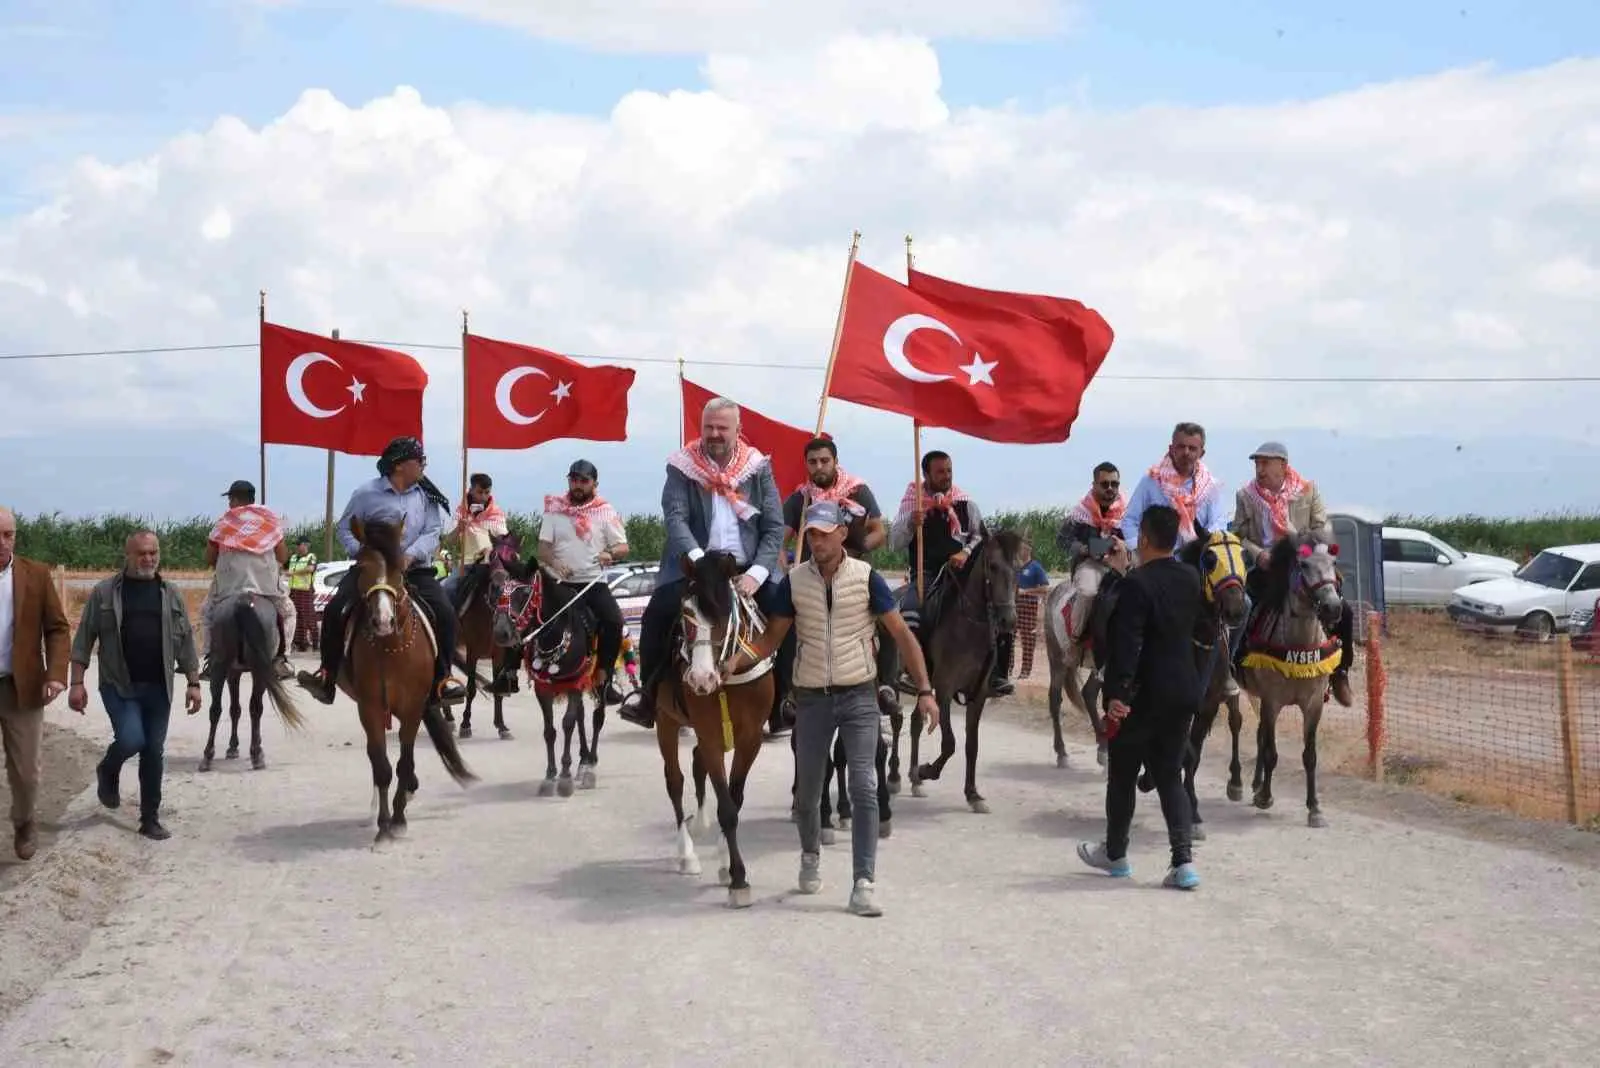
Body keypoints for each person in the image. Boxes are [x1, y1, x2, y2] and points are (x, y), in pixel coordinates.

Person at [720, 500, 939, 918]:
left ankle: (863, 882)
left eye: (824, 533)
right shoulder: (793, 582)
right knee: (807, 794)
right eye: (811, 534)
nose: (817, 541)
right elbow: (770, 641)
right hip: (812, 698)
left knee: (862, 785)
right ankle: (809, 853)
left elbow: (902, 636)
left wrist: (925, 690)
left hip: (858, 694)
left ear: (842, 534)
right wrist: (735, 661)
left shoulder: (866, 578)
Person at [619, 397, 784, 730]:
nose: (714, 434)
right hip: (694, 565)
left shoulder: (758, 467)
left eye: (722, 427)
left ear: (739, 430)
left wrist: (756, 574)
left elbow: (774, 526)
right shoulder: (682, 465)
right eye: (708, 426)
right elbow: (675, 518)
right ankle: (648, 698)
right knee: (658, 614)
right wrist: (698, 564)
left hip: (746, 568)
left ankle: (786, 701)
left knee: (787, 613)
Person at [1077, 504, 1203, 890]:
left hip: (1141, 695)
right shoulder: (1191, 578)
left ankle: (1116, 854)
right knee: (1169, 776)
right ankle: (1183, 863)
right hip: (1183, 690)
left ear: (1144, 538)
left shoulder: (1136, 584)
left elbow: (1128, 641)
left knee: (1122, 776)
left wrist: (1116, 693)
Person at [296, 436, 467, 708]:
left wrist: (409, 556)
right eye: (419, 460)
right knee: (334, 609)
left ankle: (442, 680)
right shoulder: (366, 494)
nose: (423, 465)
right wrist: (364, 554)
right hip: (373, 569)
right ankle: (327, 677)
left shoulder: (426, 495)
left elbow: (433, 531)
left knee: (446, 614)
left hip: (414, 569)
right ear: (399, 466)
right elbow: (344, 528)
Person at [68, 530, 202, 841]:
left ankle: (149, 818)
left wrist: (194, 682)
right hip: (119, 684)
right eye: (141, 553)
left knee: (153, 751)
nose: (148, 558)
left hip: (159, 687)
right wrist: (77, 682)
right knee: (131, 740)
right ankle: (108, 769)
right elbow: (83, 640)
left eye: (153, 552)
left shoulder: (171, 594)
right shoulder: (104, 593)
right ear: (127, 556)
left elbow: (185, 641)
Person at [776, 435, 886, 733]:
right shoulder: (801, 499)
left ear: (835, 461)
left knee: (890, 621)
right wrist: (785, 564)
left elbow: (879, 530)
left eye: (824, 460)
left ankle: (886, 687)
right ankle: (786, 697)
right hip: (811, 580)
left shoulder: (857, 491)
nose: (819, 466)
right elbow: (780, 539)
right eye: (813, 462)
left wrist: (858, 549)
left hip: (854, 576)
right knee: (783, 627)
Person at [1232, 440, 1354, 707]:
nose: (1260, 469)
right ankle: (1237, 665)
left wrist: (1298, 539)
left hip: (1306, 563)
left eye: (1265, 463)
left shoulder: (1307, 491)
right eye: (1257, 463)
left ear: (1283, 466)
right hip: (1267, 566)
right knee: (1245, 606)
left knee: (1343, 608)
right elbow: (1238, 535)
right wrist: (1258, 553)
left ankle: (1340, 672)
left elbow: (1321, 529)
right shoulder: (1245, 495)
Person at [886, 450, 1002, 692]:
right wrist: (910, 523)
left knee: (1000, 608)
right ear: (926, 474)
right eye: (940, 471)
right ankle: (913, 670)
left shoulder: (965, 503)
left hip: (963, 573)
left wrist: (966, 552)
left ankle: (996, 674)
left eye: (949, 470)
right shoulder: (913, 504)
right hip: (926, 573)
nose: (946, 476)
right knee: (911, 609)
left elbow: (980, 535)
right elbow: (893, 542)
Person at [0, 506, 71, 860]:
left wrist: (56, 674)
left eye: (7, 534)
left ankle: (24, 821)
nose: (1, 542)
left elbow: (57, 628)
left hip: (21, 687)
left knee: (27, 772)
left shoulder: (36, 575)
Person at [537, 459, 629, 704]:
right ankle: (513, 671)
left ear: (594, 484)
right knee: (528, 617)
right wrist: (555, 565)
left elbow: (623, 546)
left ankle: (603, 681)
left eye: (583, 481)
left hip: (592, 583)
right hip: (560, 584)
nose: (578, 485)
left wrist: (610, 554)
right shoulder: (554, 509)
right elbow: (543, 549)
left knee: (614, 622)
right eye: (574, 479)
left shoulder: (605, 511)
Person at [200, 480, 290, 680]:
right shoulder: (270, 520)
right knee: (288, 613)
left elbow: (209, 558)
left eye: (230, 499)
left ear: (233, 499)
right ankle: (281, 659)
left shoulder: (224, 522)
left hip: (230, 586)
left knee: (206, 612)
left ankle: (210, 658)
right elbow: (283, 556)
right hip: (264, 586)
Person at [1121, 422, 1229, 552]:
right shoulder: (1153, 480)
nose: (1186, 452)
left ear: (1201, 453)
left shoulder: (1210, 486)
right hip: (1158, 562)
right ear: (1171, 449)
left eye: (1192, 448)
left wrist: (1201, 546)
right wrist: (1139, 552)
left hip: (1198, 562)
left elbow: (1219, 524)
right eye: (1181, 447)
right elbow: (1130, 520)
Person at [1055, 461, 1129, 647]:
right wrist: (1083, 549)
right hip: (1090, 564)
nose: (1110, 489)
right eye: (1105, 484)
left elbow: (1137, 540)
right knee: (1088, 592)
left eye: (1114, 484)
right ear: (1094, 485)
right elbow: (1062, 540)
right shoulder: (1080, 513)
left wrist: (1122, 546)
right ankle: (1074, 641)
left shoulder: (1128, 513)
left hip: (1122, 563)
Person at [1012, 541, 1050, 680]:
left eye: (1023, 548)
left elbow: (1045, 588)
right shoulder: (1014, 567)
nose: (1020, 551)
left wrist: (1025, 591)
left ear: (1029, 549)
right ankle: (1008, 669)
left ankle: (1025, 671)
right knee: (1009, 638)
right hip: (1013, 606)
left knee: (1028, 640)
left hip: (1028, 607)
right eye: (1019, 548)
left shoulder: (1035, 567)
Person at [286, 537, 318, 652]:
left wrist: (293, 573)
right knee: (294, 616)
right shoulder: (293, 557)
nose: (297, 547)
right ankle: (299, 643)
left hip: (305, 590)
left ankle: (314, 643)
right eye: (297, 545)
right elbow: (285, 568)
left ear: (306, 545)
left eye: (299, 544)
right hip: (293, 591)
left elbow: (310, 569)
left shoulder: (311, 557)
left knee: (307, 617)